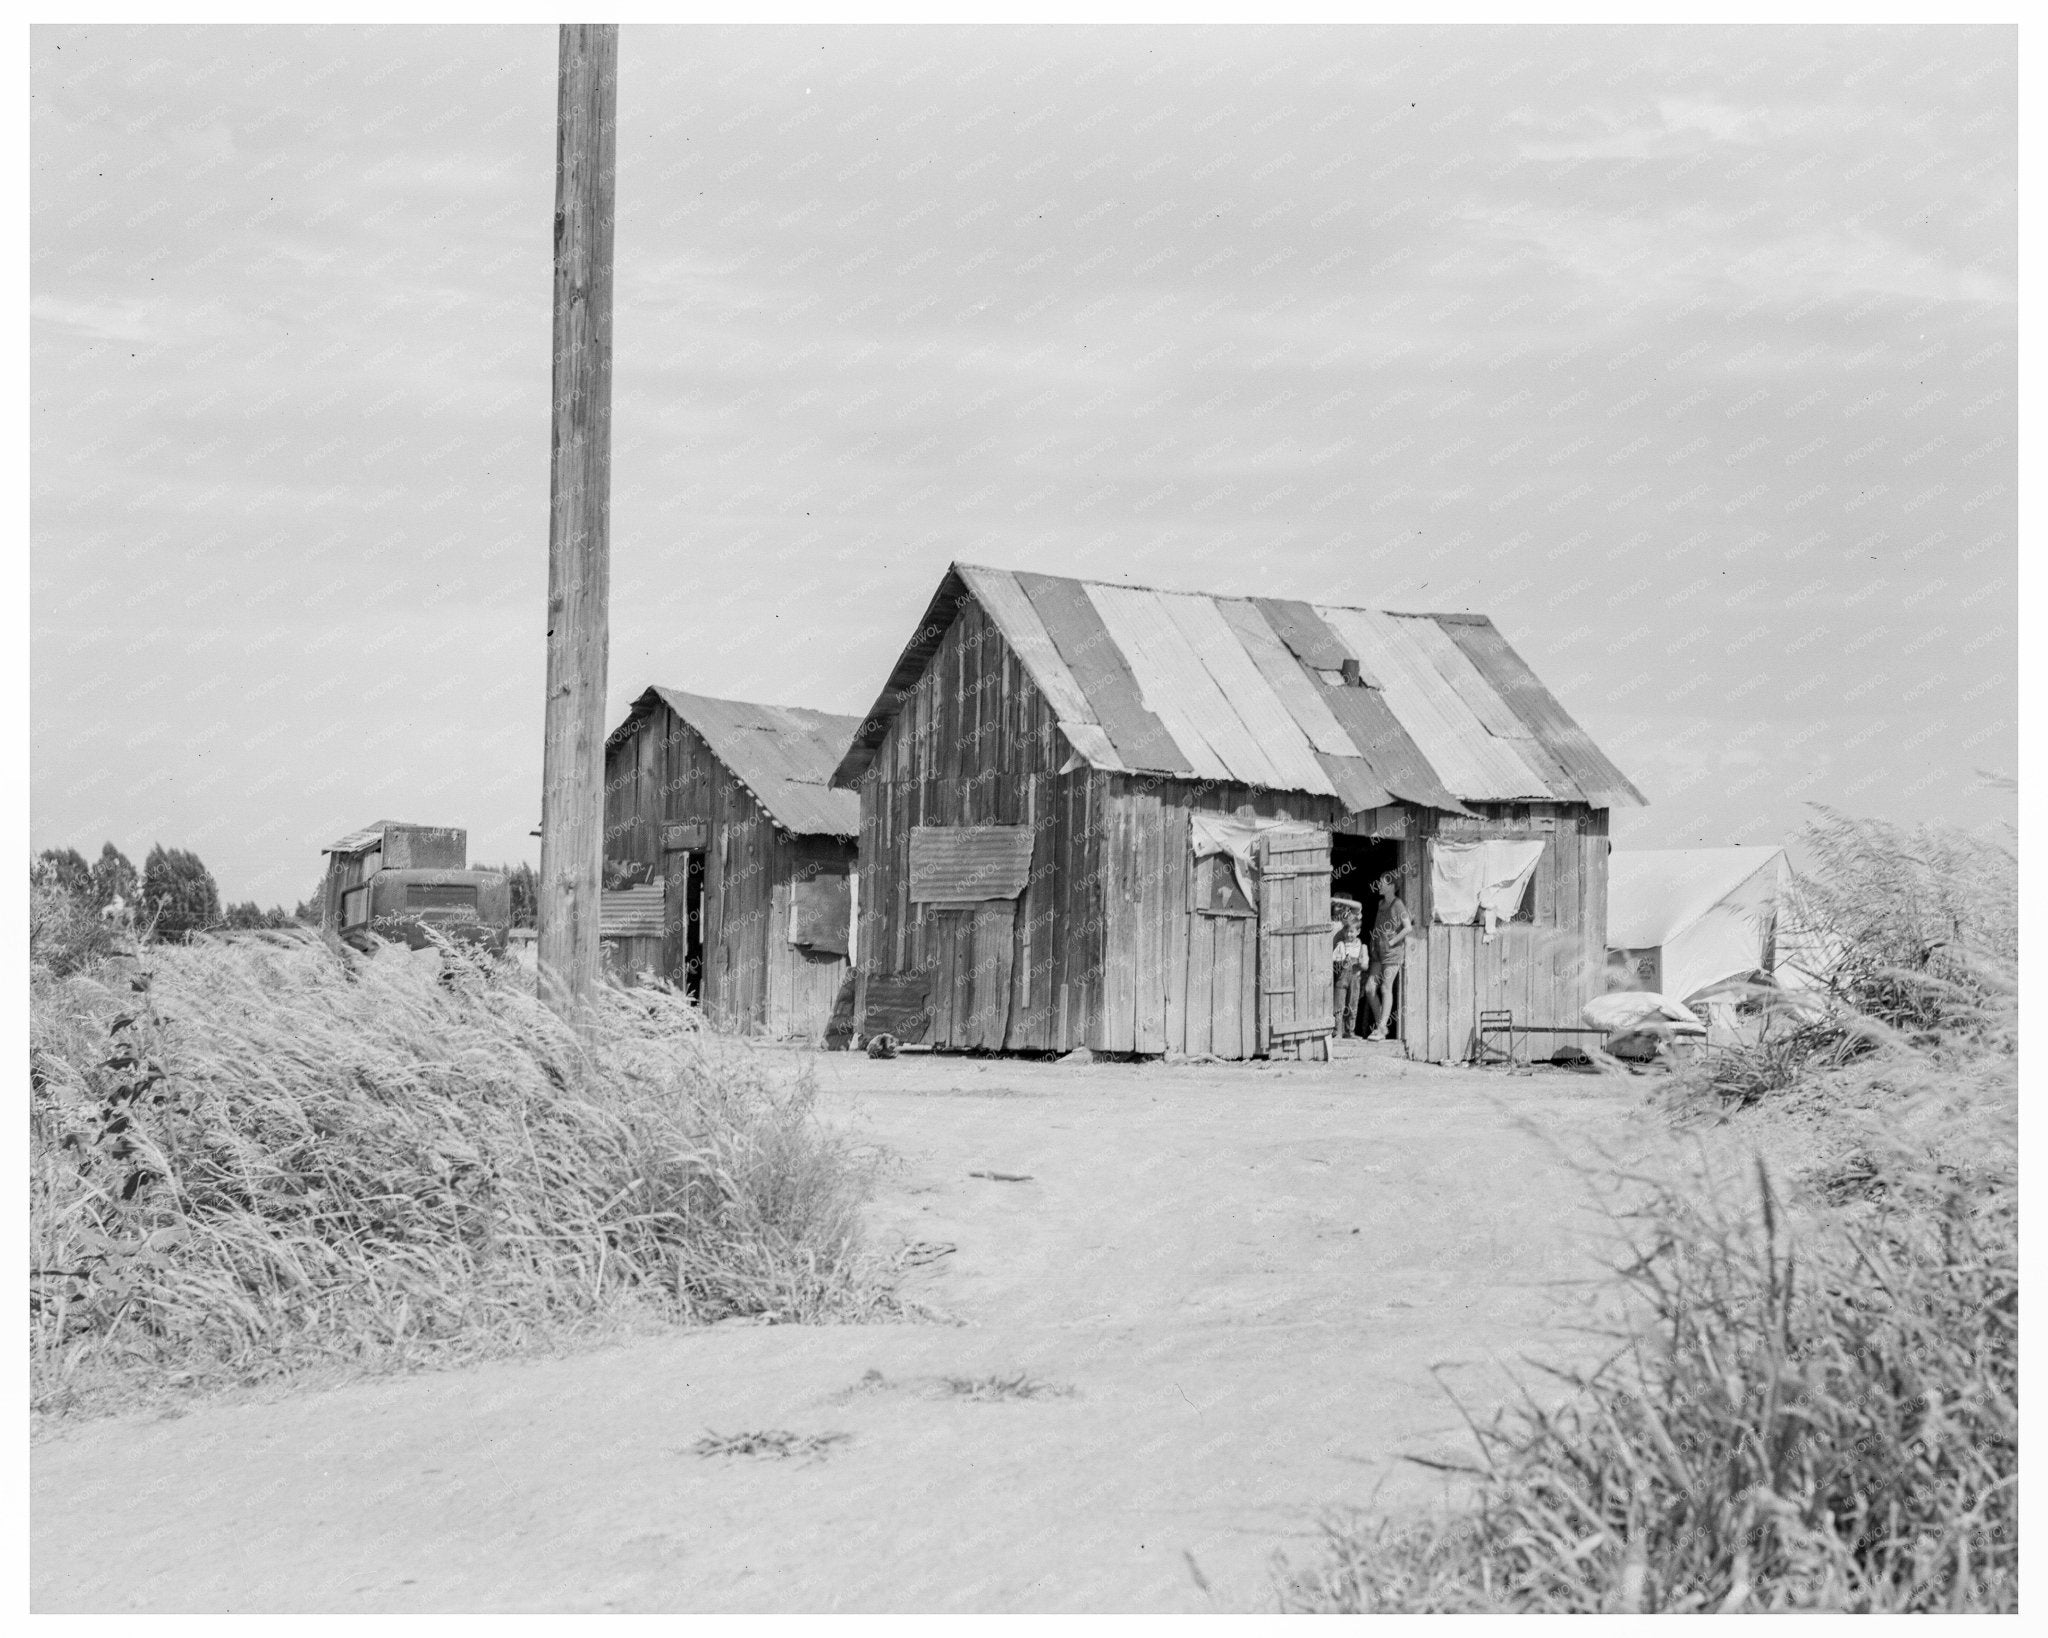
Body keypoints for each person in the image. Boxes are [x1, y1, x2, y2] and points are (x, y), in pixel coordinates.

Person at [1363, 871, 1412, 1042]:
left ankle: (1381, 1028)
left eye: (1382, 883)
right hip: (1377, 951)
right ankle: (1381, 1026)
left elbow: (1407, 927)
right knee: (1369, 988)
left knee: (1385, 988)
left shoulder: (1397, 904)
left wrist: (1392, 942)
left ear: (1391, 886)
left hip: (1392, 953)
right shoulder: (1381, 904)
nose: (1378, 885)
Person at [1331, 903, 1366, 1038]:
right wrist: (1341, 961)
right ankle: (1337, 1031)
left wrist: (1360, 962)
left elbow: (1365, 966)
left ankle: (1350, 1031)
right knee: (1339, 1004)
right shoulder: (1340, 945)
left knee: (1352, 1005)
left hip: (1355, 979)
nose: (1349, 934)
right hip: (1342, 978)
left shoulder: (1361, 947)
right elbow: (1333, 960)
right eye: (1346, 931)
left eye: (1351, 931)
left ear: (1358, 931)